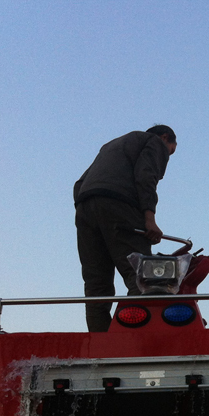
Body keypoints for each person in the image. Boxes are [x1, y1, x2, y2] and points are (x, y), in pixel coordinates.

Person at [74, 125, 177, 332]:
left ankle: (99, 343)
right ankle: (136, 338)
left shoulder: (111, 146)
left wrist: (91, 213)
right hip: (120, 205)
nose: (167, 156)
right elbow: (146, 175)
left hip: (85, 207)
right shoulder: (153, 141)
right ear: (165, 137)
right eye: (170, 151)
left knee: (96, 284)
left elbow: (79, 184)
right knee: (140, 277)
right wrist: (149, 218)